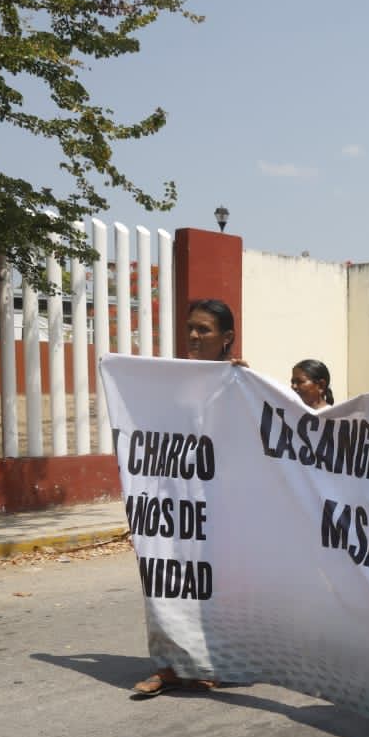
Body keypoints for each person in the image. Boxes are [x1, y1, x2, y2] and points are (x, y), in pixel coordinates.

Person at [131, 299, 241, 698]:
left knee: (208, 588)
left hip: (217, 507)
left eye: (204, 330)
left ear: (226, 338)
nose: (193, 336)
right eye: (190, 328)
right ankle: (167, 666)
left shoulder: (239, 384)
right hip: (170, 504)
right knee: (163, 581)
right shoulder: (172, 382)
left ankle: (209, 662)